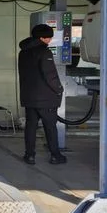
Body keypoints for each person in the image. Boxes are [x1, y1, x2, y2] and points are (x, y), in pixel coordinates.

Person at [18, 24, 68, 165]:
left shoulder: (23, 52)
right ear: (41, 38)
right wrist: (59, 89)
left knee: (30, 127)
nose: (50, 40)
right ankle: (55, 155)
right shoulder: (44, 52)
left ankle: (29, 155)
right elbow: (50, 75)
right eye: (48, 37)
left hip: (29, 96)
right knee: (50, 127)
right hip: (46, 98)